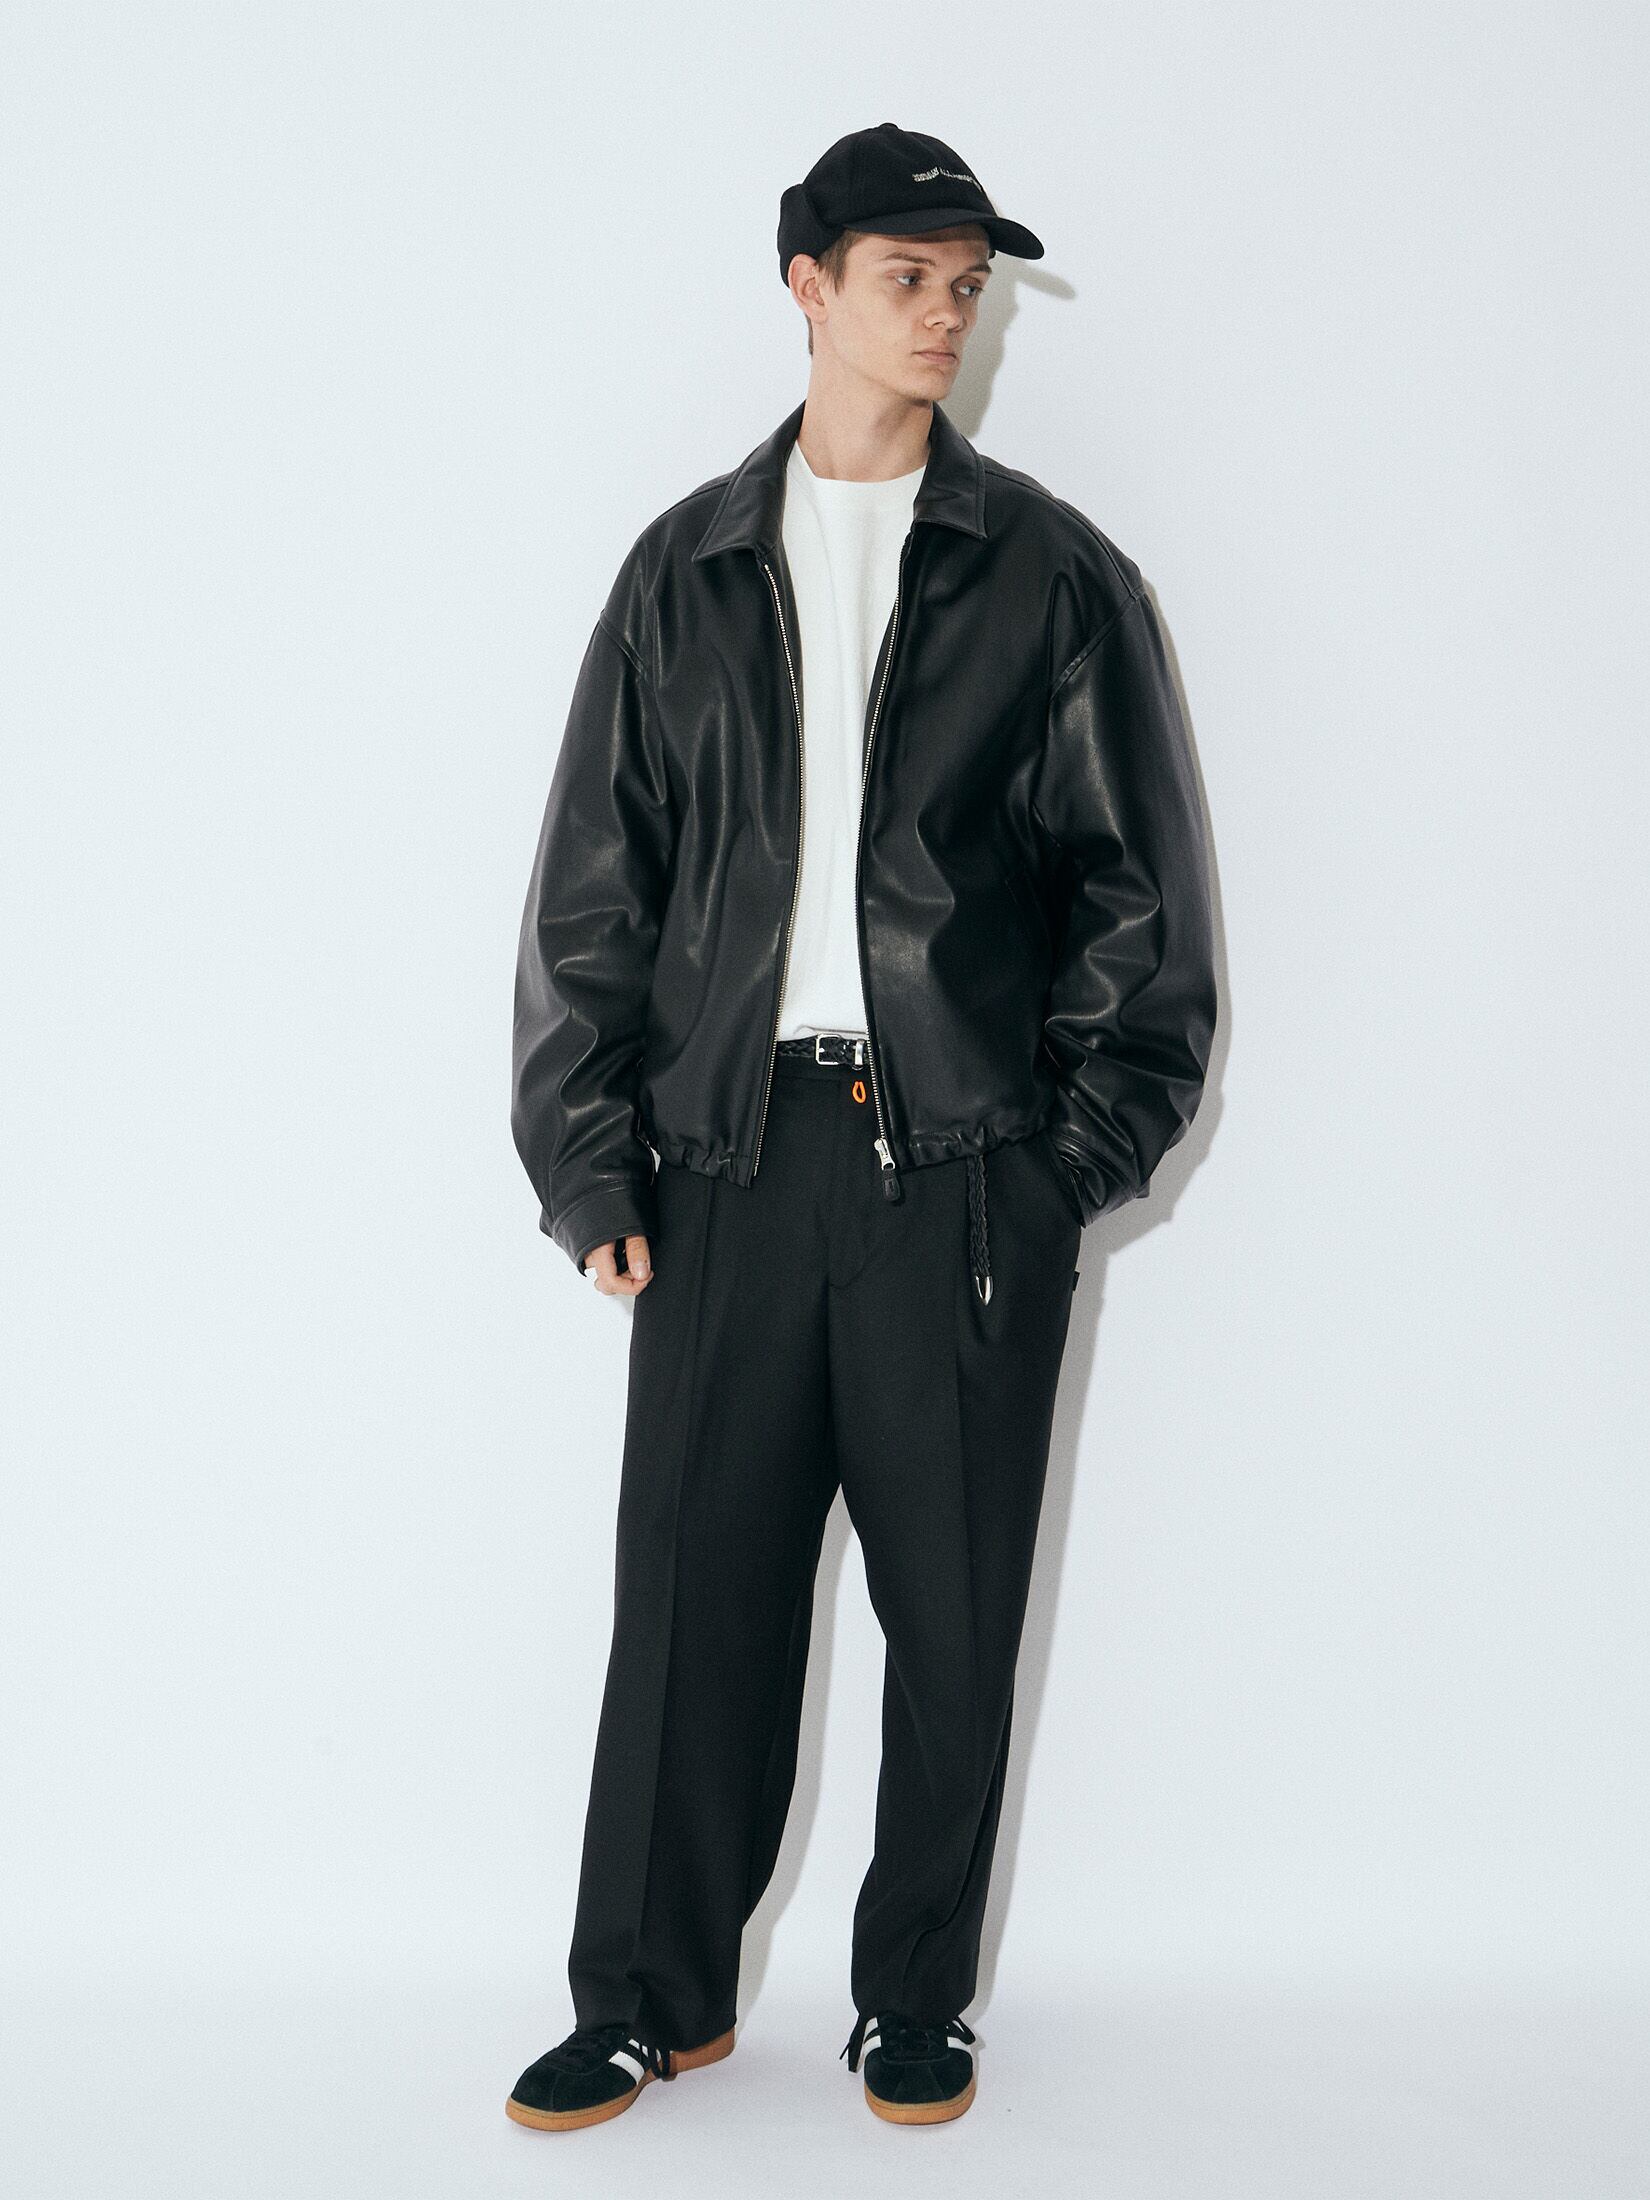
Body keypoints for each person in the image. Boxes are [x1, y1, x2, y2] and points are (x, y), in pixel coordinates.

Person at [504, 120, 1217, 2134]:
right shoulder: (685, 571)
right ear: (807, 284)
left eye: (967, 286)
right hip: (724, 1166)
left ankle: (917, 1997)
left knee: (955, 1612)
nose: (945, 316)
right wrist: (590, 1158)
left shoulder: (1053, 578)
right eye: (909, 277)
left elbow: (1142, 914)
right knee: (689, 1607)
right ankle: (648, 1998)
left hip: (965, 1179)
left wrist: (1061, 1174)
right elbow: (593, 895)